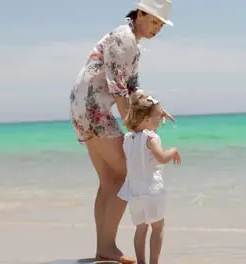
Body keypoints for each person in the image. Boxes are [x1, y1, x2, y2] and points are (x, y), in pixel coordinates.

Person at [69, 0, 175, 263]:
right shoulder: (124, 38)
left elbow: (132, 86)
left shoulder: (132, 44)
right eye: (153, 22)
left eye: (160, 26)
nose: (156, 29)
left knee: (109, 179)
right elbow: (117, 88)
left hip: (83, 108)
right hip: (95, 108)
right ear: (139, 14)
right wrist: (135, 127)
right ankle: (108, 246)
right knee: (125, 174)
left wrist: (154, 106)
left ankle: (104, 248)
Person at [117, 92, 181, 264]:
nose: (160, 120)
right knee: (158, 228)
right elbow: (161, 158)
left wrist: (157, 111)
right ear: (145, 119)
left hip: (134, 193)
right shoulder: (151, 137)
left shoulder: (127, 138)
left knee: (140, 229)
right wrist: (173, 151)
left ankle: (141, 262)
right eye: (157, 117)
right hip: (152, 191)